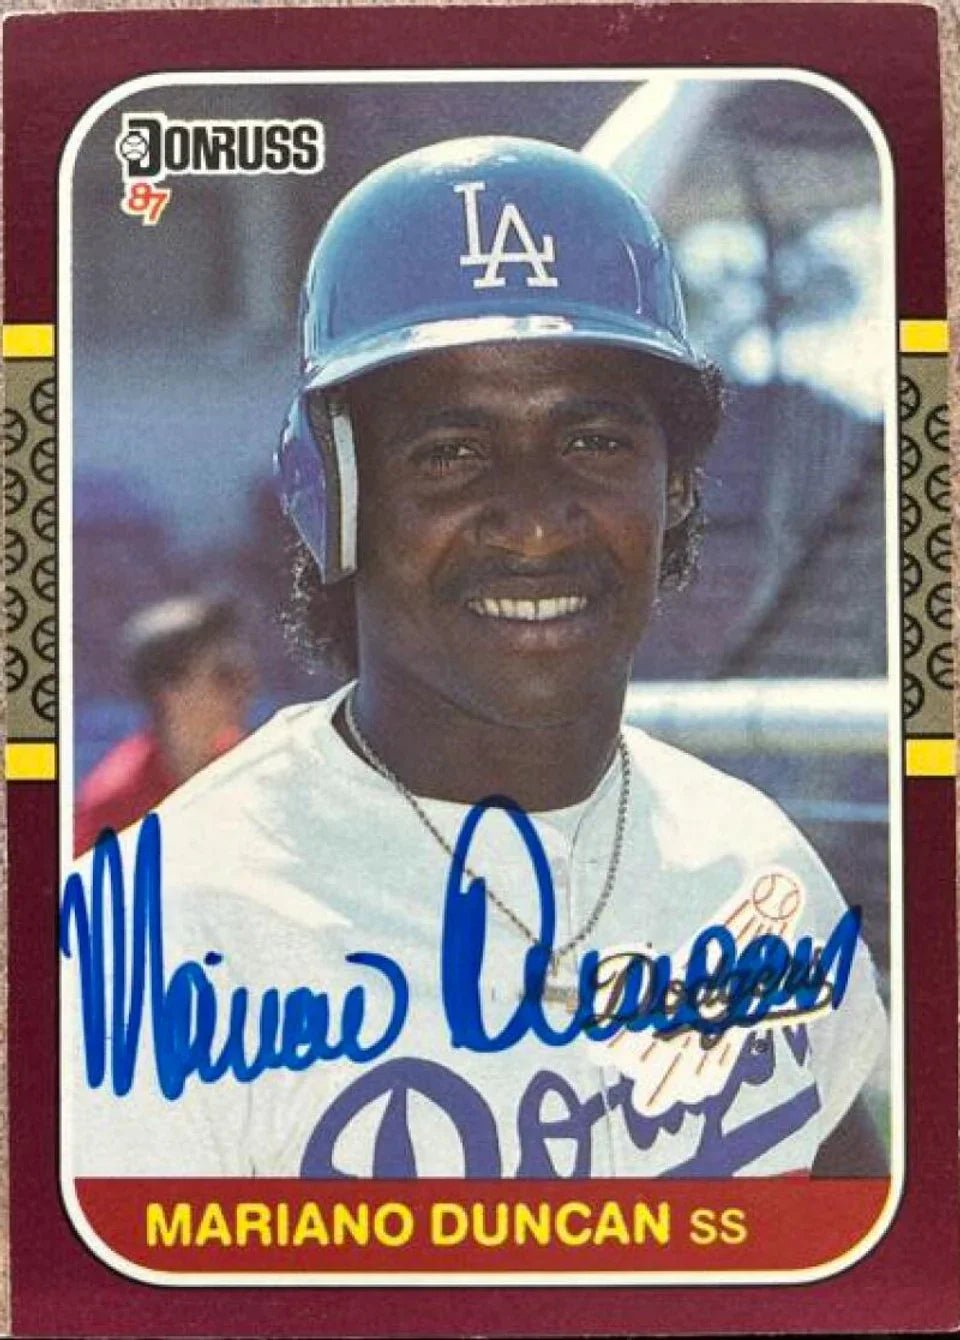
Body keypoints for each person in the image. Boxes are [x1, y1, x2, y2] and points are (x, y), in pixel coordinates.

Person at [62, 136, 887, 1180]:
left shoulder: (756, 860)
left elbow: (859, 1233)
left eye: (595, 442)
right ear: (334, 494)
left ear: (675, 484)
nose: (536, 522)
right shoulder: (155, 937)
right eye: (450, 452)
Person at [74, 594, 255, 855]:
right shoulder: (113, 801)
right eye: (225, 675)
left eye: (245, 672)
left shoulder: (248, 763)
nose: (245, 687)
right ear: (169, 692)